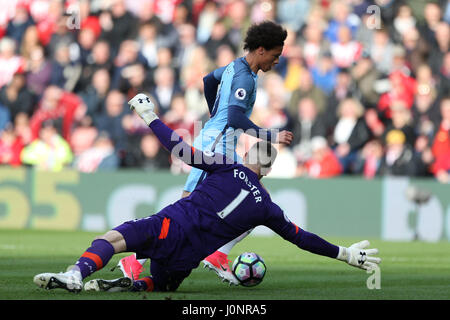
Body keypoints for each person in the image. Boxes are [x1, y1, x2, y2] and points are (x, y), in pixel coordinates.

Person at [33, 95, 381, 293]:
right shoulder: (267, 208)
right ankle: (131, 286)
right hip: (186, 260)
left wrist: (149, 116)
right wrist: (344, 254)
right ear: (269, 171)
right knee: (162, 284)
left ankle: (76, 274)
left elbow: (181, 150)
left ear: (247, 156)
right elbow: (302, 238)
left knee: (112, 238)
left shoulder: (227, 166)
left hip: (170, 226)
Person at [117, 21, 294, 285]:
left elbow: (208, 80)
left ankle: (217, 255)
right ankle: (136, 259)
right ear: (260, 50)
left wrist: (214, 115)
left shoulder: (237, 66)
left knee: (257, 200)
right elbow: (234, 115)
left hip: (220, 141)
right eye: (275, 54)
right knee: (188, 205)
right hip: (217, 145)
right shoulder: (245, 76)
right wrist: (269, 135)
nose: (277, 60)